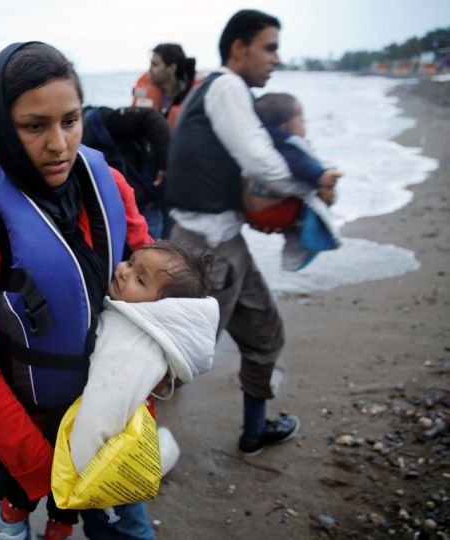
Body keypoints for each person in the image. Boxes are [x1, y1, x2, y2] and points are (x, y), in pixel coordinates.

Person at [0, 41, 155, 540]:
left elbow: (152, 289)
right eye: (34, 126)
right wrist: (52, 475)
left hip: (101, 411)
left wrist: (144, 393)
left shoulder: (109, 185)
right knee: (7, 526)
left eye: (70, 120)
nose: (59, 144)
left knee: (127, 532)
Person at [165, 9, 332, 456]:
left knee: (264, 332)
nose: (276, 58)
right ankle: (126, 450)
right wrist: (315, 185)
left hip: (224, 243)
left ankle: (255, 431)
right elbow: (260, 161)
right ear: (239, 49)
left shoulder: (218, 90)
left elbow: (250, 168)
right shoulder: (226, 87)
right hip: (203, 248)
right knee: (174, 360)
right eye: (270, 47)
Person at [0, 241, 219, 540]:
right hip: (95, 437)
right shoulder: (136, 320)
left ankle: (9, 518)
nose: (124, 271)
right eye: (130, 261)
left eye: (140, 279)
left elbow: (104, 408)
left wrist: (79, 464)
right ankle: (57, 529)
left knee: (49, 472)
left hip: (89, 444)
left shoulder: (130, 343)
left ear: (162, 307)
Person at [243, 92, 341, 270]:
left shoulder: (259, 143)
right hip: (276, 213)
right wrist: (321, 177)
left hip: (255, 212)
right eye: (302, 121)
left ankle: (295, 243)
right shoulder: (286, 144)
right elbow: (300, 165)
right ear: (285, 127)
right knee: (312, 207)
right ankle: (303, 245)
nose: (305, 125)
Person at [82, 105, 171, 238]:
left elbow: (150, 116)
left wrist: (165, 164)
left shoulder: (102, 120)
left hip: (143, 206)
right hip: (112, 212)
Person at [132, 43, 197, 128]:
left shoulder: (194, 98)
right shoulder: (146, 92)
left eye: (155, 65)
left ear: (172, 68)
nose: (149, 69)